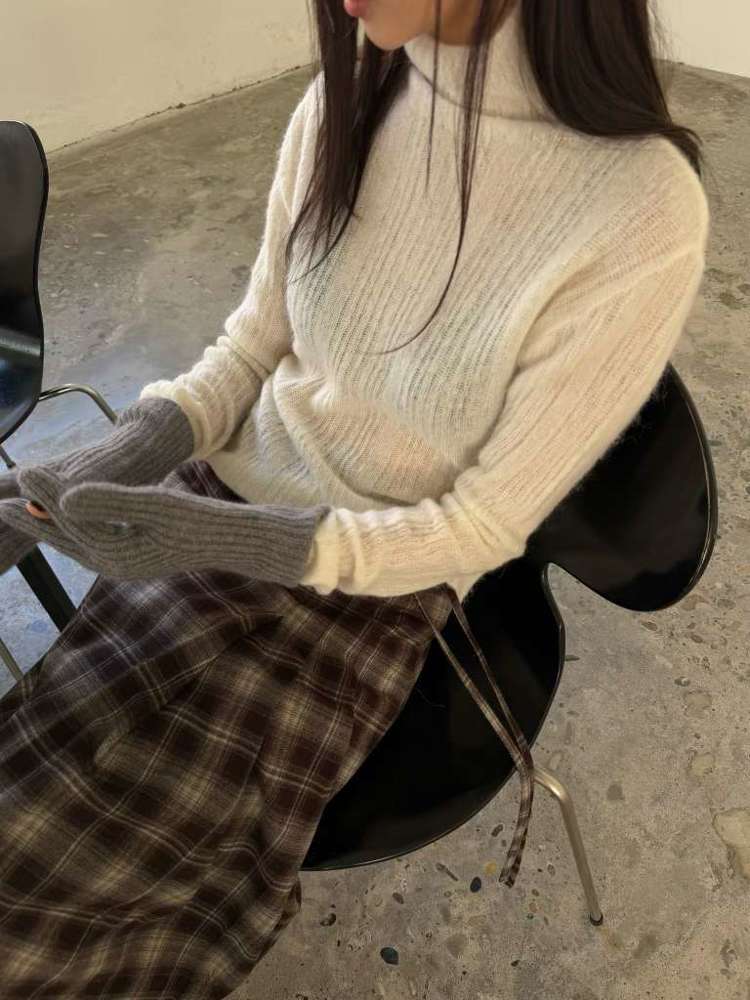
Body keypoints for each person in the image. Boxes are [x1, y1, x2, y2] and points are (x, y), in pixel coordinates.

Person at [0, 0, 710, 995]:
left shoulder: (640, 211)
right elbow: (251, 348)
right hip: (211, 514)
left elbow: (480, 527)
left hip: (357, 597)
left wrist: (215, 536)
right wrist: (106, 462)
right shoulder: (352, 96)